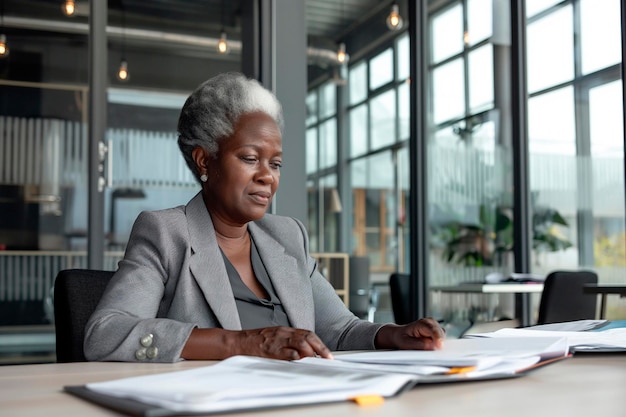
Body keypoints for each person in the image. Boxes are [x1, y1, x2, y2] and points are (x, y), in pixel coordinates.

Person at [84, 72, 445, 363]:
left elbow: (341, 330)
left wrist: (391, 334)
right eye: (249, 158)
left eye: (275, 164)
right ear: (204, 160)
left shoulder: (287, 235)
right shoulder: (166, 232)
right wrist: (239, 343)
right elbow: (105, 334)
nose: (267, 176)